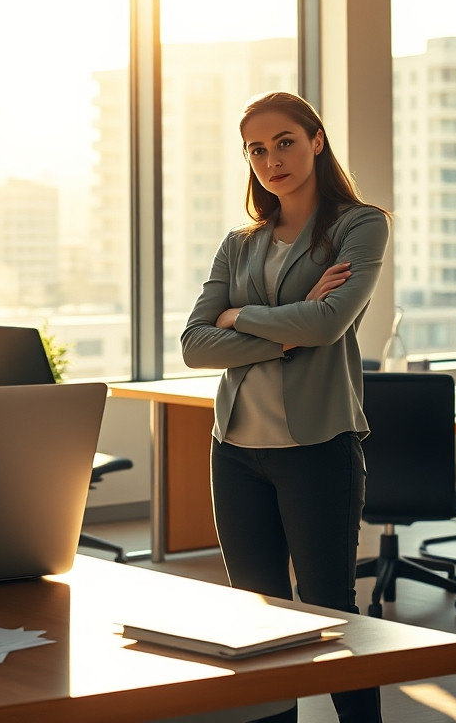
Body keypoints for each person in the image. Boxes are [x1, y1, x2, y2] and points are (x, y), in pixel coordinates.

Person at [181, 91, 389, 723]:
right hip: (235, 451)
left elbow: (327, 325)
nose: (272, 159)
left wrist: (237, 316)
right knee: (257, 615)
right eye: (257, 149)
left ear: (316, 140)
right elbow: (194, 345)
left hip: (317, 447)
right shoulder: (239, 243)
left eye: (285, 142)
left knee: (330, 606)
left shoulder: (359, 225)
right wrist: (288, 329)